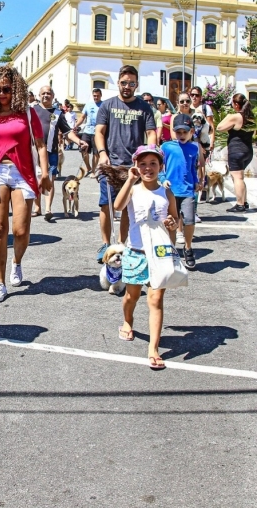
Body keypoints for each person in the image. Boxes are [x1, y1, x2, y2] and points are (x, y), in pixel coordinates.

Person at [0, 66, 50, 302]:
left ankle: (16, 262)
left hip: (22, 173)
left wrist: (45, 172)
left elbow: (40, 145)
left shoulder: (27, 113)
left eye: (6, 89)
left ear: (15, 89)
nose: (2, 94)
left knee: (20, 230)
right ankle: (0, 283)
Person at [115, 145, 179, 371]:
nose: (148, 168)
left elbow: (175, 220)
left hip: (160, 254)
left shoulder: (166, 193)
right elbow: (118, 206)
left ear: (161, 166)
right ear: (136, 166)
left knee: (155, 300)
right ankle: (127, 321)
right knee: (131, 296)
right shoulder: (133, 190)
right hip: (135, 252)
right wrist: (130, 180)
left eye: (153, 163)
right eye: (142, 164)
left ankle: (153, 348)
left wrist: (172, 223)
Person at [93, 66, 157, 261]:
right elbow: (99, 132)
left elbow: (151, 133)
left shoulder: (144, 107)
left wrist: (149, 154)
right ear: (118, 83)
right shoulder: (107, 105)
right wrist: (102, 153)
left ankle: (121, 244)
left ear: (136, 85)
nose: (127, 86)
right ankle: (106, 244)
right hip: (110, 165)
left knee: (129, 208)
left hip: (133, 167)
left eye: (131, 83)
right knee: (106, 205)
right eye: (123, 83)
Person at [33, 85, 89, 221]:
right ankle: (37, 207)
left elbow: (67, 132)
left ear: (53, 96)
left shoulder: (58, 113)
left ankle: (48, 209)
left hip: (51, 152)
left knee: (50, 180)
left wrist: (78, 141)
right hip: (34, 151)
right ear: (39, 95)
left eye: (48, 93)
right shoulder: (32, 110)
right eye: (43, 93)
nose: (46, 95)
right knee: (36, 179)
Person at [160, 114, 202, 270]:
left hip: (187, 190)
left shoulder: (193, 148)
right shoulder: (166, 147)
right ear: (174, 132)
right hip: (170, 190)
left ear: (191, 131)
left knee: (189, 220)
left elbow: (192, 168)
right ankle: (171, 249)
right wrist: (163, 179)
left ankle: (188, 248)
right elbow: (160, 167)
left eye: (185, 132)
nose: (182, 135)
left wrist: (196, 182)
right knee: (171, 221)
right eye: (178, 132)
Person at [215, 93, 254, 212]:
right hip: (248, 150)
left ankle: (240, 204)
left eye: (232, 103)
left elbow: (219, 127)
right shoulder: (250, 117)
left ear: (236, 104)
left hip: (236, 150)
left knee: (237, 178)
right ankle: (244, 202)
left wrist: (228, 116)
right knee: (240, 177)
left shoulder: (236, 116)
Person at [78, 87, 103, 176]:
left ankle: (93, 171)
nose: (96, 97)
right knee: (83, 150)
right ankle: (88, 167)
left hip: (98, 132)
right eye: (94, 96)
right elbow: (82, 117)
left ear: (101, 95)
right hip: (87, 131)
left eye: (97, 96)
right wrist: (75, 126)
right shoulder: (88, 105)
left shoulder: (104, 105)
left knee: (96, 153)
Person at [190, 86, 215, 151]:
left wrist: (212, 142)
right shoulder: (187, 108)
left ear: (200, 97)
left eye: (197, 95)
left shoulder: (205, 108)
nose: (194, 97)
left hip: (203, 141)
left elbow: (211, 126)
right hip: (190, 141)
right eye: (192, 95)